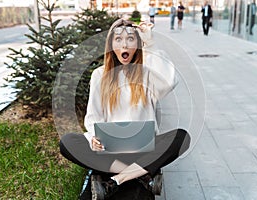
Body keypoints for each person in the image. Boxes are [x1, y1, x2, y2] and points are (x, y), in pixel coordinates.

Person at [59, 19, 191, 200]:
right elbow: (92, 117)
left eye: (130, 39)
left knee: (181, 137)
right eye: (118, 39)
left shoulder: (146, 74)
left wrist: (149, 43)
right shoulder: (99, 75)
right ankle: (142, 177)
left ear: (137, 44)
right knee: (67, 141)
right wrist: (93, 138)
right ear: (111, 44)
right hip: (110, 153)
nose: (124, 44)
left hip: (143, 152)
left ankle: (117, 181)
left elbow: (169, 81)